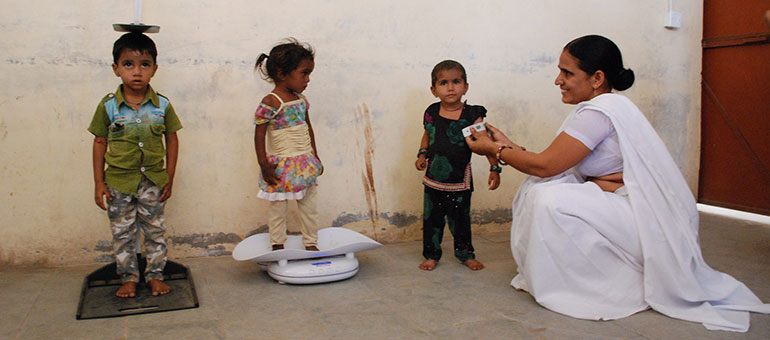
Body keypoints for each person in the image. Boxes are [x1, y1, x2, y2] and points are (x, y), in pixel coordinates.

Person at [465, 35, 770, 331]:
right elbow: (552, 162)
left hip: (642, 222)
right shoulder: (606, 107)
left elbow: (545, 165)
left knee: (547, 199)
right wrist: (505, 145)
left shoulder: (599, 114)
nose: (558, 80)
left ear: (597, 78)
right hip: (626, 211)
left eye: (567, 73)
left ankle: (599, 286)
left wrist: (495, 149)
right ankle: (577, 277)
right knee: (540, 189)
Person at [89, 32, 181, 298]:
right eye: (128, 64)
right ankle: (128, 278)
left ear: (154, 69)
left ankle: (155, 276)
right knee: (123, 234)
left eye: (145, 64)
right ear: (116, 68)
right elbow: (99, 142)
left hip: (153, 182)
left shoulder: (162, 105)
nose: (137, 72)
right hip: (118, 184)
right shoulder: (108, 106)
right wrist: (99, 182)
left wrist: (169, 177)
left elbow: (172, 140)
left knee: (155, 231)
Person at [415, 60, 501, 271]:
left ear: (466, 86)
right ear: (434, 90)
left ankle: (465, 254)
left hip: (459, 181)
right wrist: (422, 153)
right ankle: (432, 255)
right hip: (433, 179)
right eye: (443, 83)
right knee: (432, 220)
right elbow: (428, 134)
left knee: (460, 220)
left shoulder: (472, 115)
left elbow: (485, 141)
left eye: (456, 81)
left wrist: (494, 168)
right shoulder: (431, 112)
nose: (450, 87)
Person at [254, 39, 323, 252]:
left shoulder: (301, 99)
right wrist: (264, 164)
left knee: (309, 206)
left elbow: (308, 128)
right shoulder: (271, 101)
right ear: (282, 73)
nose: (308, 79)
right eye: (304, 73)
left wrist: (315, 157)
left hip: (305, 162)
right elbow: (259, 134)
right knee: (278, 207)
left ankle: (311, 242)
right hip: (280, 166)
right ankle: (277, 244)